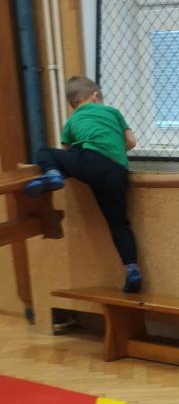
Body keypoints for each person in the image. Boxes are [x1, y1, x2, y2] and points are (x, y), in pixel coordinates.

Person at [25, 76, 143, 293]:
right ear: (96, 96)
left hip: (90, 163)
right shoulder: (113, 112)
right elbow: (131, 142)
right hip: (118, 172)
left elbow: (66, 152)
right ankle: (132, 268)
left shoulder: (71, 121)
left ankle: (52, 175)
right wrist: (115, 150)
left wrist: (67, 164)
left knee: (44, 151)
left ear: (73, 104)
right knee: (119, 224)